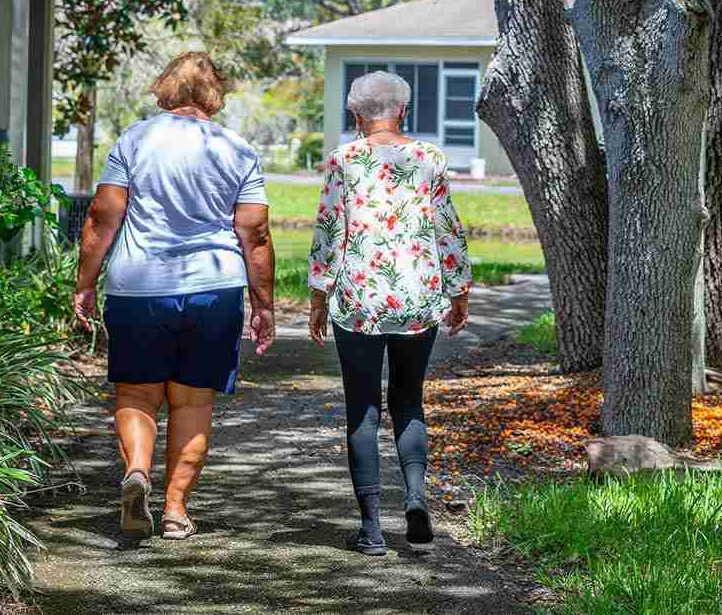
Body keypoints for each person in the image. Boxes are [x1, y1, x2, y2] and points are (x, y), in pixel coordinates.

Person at [74, 51, 276, 541]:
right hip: (213, 289)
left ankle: (137, 472)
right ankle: (175, 511)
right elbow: (256, 233)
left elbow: (103, 217)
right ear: (215, 94)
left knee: (137, 394)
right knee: (191, 404)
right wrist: (263, 303)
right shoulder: (237, 149)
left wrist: (84, 282)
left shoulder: (135, 140)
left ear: (166, 88)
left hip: (139, 288)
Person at [307, 71, 472, 556]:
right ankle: (417, 500)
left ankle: (373, 528)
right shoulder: (428, 158)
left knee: (362, 407)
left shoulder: (344, 160)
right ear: (402, 110)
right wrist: (458, 289)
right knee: (408, 401)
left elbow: (328, 231)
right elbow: (447, 228)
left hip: (359, 298)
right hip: (417, 297)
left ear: (356, 114)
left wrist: (318, 297)